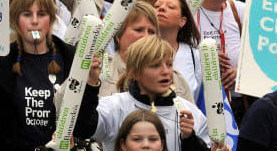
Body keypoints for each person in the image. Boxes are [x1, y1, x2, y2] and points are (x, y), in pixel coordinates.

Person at [0, 0, 100, 150]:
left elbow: (86, 127)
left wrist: (92, 82)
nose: (35, 21)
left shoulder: (70, 57)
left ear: (51, 20)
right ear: (16, 21)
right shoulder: (1, 61)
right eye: (27, 14)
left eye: (41, 14)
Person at [75, 35, 216, 151]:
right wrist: (90, 83)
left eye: (169, 64)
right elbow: (82, 128)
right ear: (135, 72)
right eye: (155, 65)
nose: (165, 71)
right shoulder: (115, 106)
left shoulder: (188, 112)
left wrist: (190, 139)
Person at [97, 1, 194, 102]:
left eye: (151, 32)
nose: (145, 36)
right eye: (138, 30)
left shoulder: (175, 78)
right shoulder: (99, 70)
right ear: (118, 35)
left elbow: (191, 115)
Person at [153, 0, 203, 102]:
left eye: (170, 7)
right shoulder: (139, 51)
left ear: (182, 21)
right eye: (156, 6)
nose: (161, 8)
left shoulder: (195, 56)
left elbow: (199, 96)